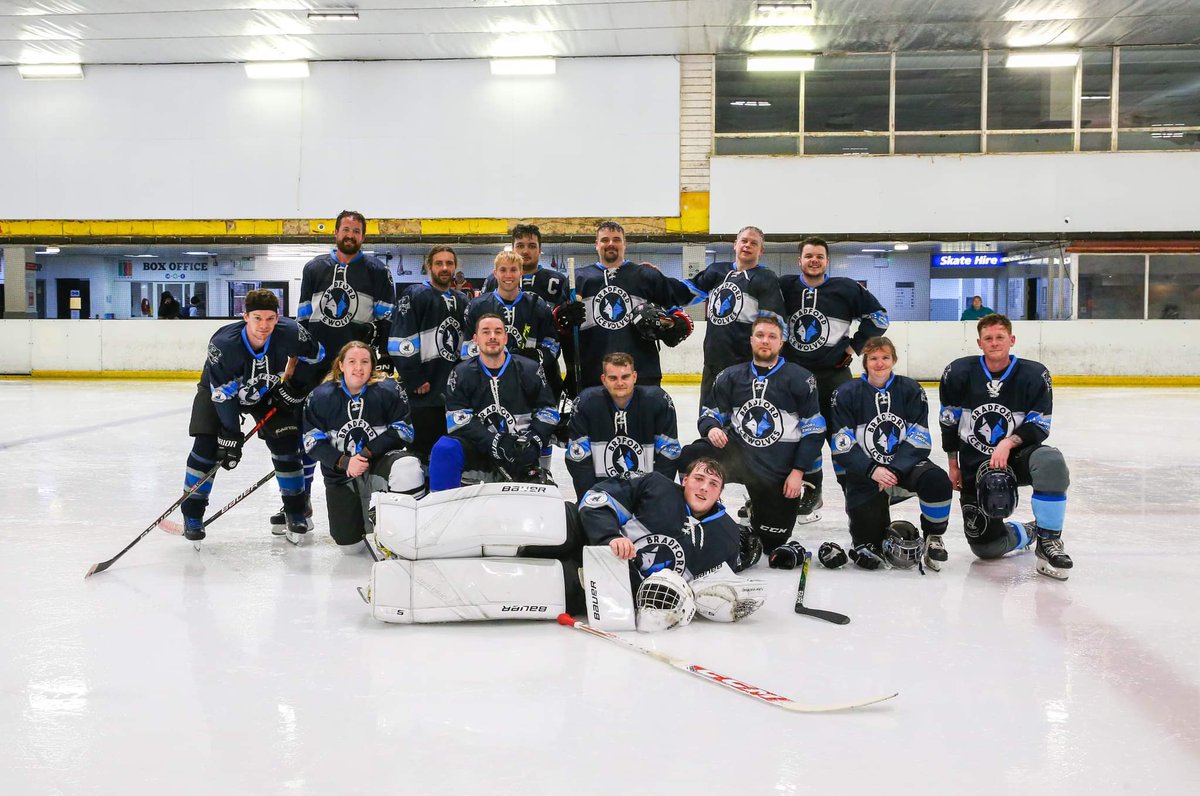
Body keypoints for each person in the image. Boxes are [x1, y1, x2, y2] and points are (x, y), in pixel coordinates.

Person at [178, 289, 324, 545]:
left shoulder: (290, 333)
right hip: (218, 393)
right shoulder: (224, 344)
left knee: (287, 442)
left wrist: (295, 386)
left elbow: (318, 357)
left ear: (278, 317)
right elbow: (222, 396)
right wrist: (231, 435)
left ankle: (295, 511)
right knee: (206, 446)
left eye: (270, 318)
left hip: (266, 392)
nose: (264, 325)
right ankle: (192, 515)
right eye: (257, 318)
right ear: (245, 316)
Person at [939, 313, 1074, 580]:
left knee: (1050, 461)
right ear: (979, 343)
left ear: (1011, 340)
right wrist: (953, 465)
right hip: (975, 464)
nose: (994, 343)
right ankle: (1029, 531)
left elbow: (1040, 426)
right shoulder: (959, 373)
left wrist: (1007, 443)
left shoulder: (1034, 374)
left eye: (1000, 337)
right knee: (987, 548)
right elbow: (949, 423)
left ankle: (1049, 541)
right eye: (988, 338)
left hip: (1017, 456)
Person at [680, 315, 825, 555]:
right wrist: (713, 427)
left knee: (771, 543)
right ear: (751, 340)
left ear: (781, 343)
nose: (765, 341)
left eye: (772, 337)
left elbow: (814, 433)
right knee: (692, 454)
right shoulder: (730, 376)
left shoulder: (800, 379)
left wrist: (798, 472)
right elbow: (710, 413)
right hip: (739, 458)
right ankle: (701, 510)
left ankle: (758, 507)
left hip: (776, 468)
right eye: (760, 335)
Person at [578, 459, 767, 630]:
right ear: (685, 481)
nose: (704, 488)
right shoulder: (655, 486)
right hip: (596, 552)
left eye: (713, 484)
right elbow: (597, 500)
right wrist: (609, 537)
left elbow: (708, 586)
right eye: (698, 479)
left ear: (719, 493)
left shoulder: (727, 535)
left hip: (624, 597)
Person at [780, 236, 889, 520]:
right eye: (808, 256)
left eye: (819, 256)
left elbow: (879, 318)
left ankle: (854, 493)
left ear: (827, 261)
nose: (813, 260)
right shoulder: (785, 287)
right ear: (799, 260)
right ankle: (811, 493)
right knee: (804, 433)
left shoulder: (845, 288)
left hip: (834, 376)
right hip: (796, 379)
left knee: (842, 435)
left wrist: (854, 346)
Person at [826, 336, 952, 571]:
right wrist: (872, 470)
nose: (879, 363)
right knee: (869, 548)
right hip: (866, 473)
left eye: (885, 357)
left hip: (902, 469)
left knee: (936, 480)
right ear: (865, 362)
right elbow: (842, 444)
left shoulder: (910, 389)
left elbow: (920, 437)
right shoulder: (846, 393)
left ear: (894, 359)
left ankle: (934, 536)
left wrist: (893, 469)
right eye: (873, 358)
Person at [301, 341, 425, 552]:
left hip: (380, 465)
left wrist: (367, 453)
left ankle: (409, 533)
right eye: (352, 361)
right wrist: (344, 461)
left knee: (408, 468)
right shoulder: (320, 397)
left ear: (372, 365)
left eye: (364, 362)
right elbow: (311, 441)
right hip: (341, 474)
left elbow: (404, 430)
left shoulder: (389, 389)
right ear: (341, 365)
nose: (358, 368)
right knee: (350, 547)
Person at [553, 221, 697, 390]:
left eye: (616, 239)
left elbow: (681, 319)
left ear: (625, 244)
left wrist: (669, 323)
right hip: (592, 377)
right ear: (596, 245)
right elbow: (557, 324)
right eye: (605, 240)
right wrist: (563, 318)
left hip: (642, 376)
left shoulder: (647, 276)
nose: (611, 244)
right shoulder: (577, 279)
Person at [429, 314, 559, 491]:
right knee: (445, 448)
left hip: (519, 449)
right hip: (479, 450)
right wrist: (494, 441)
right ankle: (442, 512)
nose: (492, 336)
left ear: (505, 338)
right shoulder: (461, 373)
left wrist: (533, 439)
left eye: (498, 332)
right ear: (475, 339)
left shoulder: (530, 369)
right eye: (485, 332)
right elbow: (457, 419)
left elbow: (548, 411)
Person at [684, 225, 785, 406]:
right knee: (710, 418)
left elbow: (773, 325)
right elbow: (684, 292)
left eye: (753, 243)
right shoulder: (716, 271)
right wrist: (656, 282)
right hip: (713, 362)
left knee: (740, 421)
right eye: (744, 241)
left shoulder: (765, 277)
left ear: (761, 251)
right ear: (735, 244)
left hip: (745, 366)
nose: (747, 245)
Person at [388, 245, 469, 460]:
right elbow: (400, 341)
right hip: (423, 394)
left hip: (454, 397)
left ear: (455, 267)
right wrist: (414, 377)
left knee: (453, 456)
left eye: (449, 263)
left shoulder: (462, 301)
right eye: (439, 263)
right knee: (423, 456)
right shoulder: (414, 295)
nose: (444, 268)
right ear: (429, 266)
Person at [565, 352, 680, 498]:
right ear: (604, 380)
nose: (620, 383)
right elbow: (578, 458)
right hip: (601, 495)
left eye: (625, 376)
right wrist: (592, 497)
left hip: (647, 494)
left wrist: (654, 495)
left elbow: (669, 453)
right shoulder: (586, 403)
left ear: (634, 377)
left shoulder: (657, 401)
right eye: (613, 378)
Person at [483, 224, 574, 397]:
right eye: (520, 245)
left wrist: (569, 367)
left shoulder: (556, 281)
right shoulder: (493, 281)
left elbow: (564, 330)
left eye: (532, 246)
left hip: (545, 371)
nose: (525, 251)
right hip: (498, 371)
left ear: (540, 250)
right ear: (512, 248)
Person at [461, 251, 559, 379]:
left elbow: (553, 346)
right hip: (487, 382)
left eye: (513, 270)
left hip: (527, 380)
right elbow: (466, 350)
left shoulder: (538, 306)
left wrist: (535, 357)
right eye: (503, 270)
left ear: (521, 272)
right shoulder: (477, 306)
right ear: (495, 273)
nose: (508, 275)